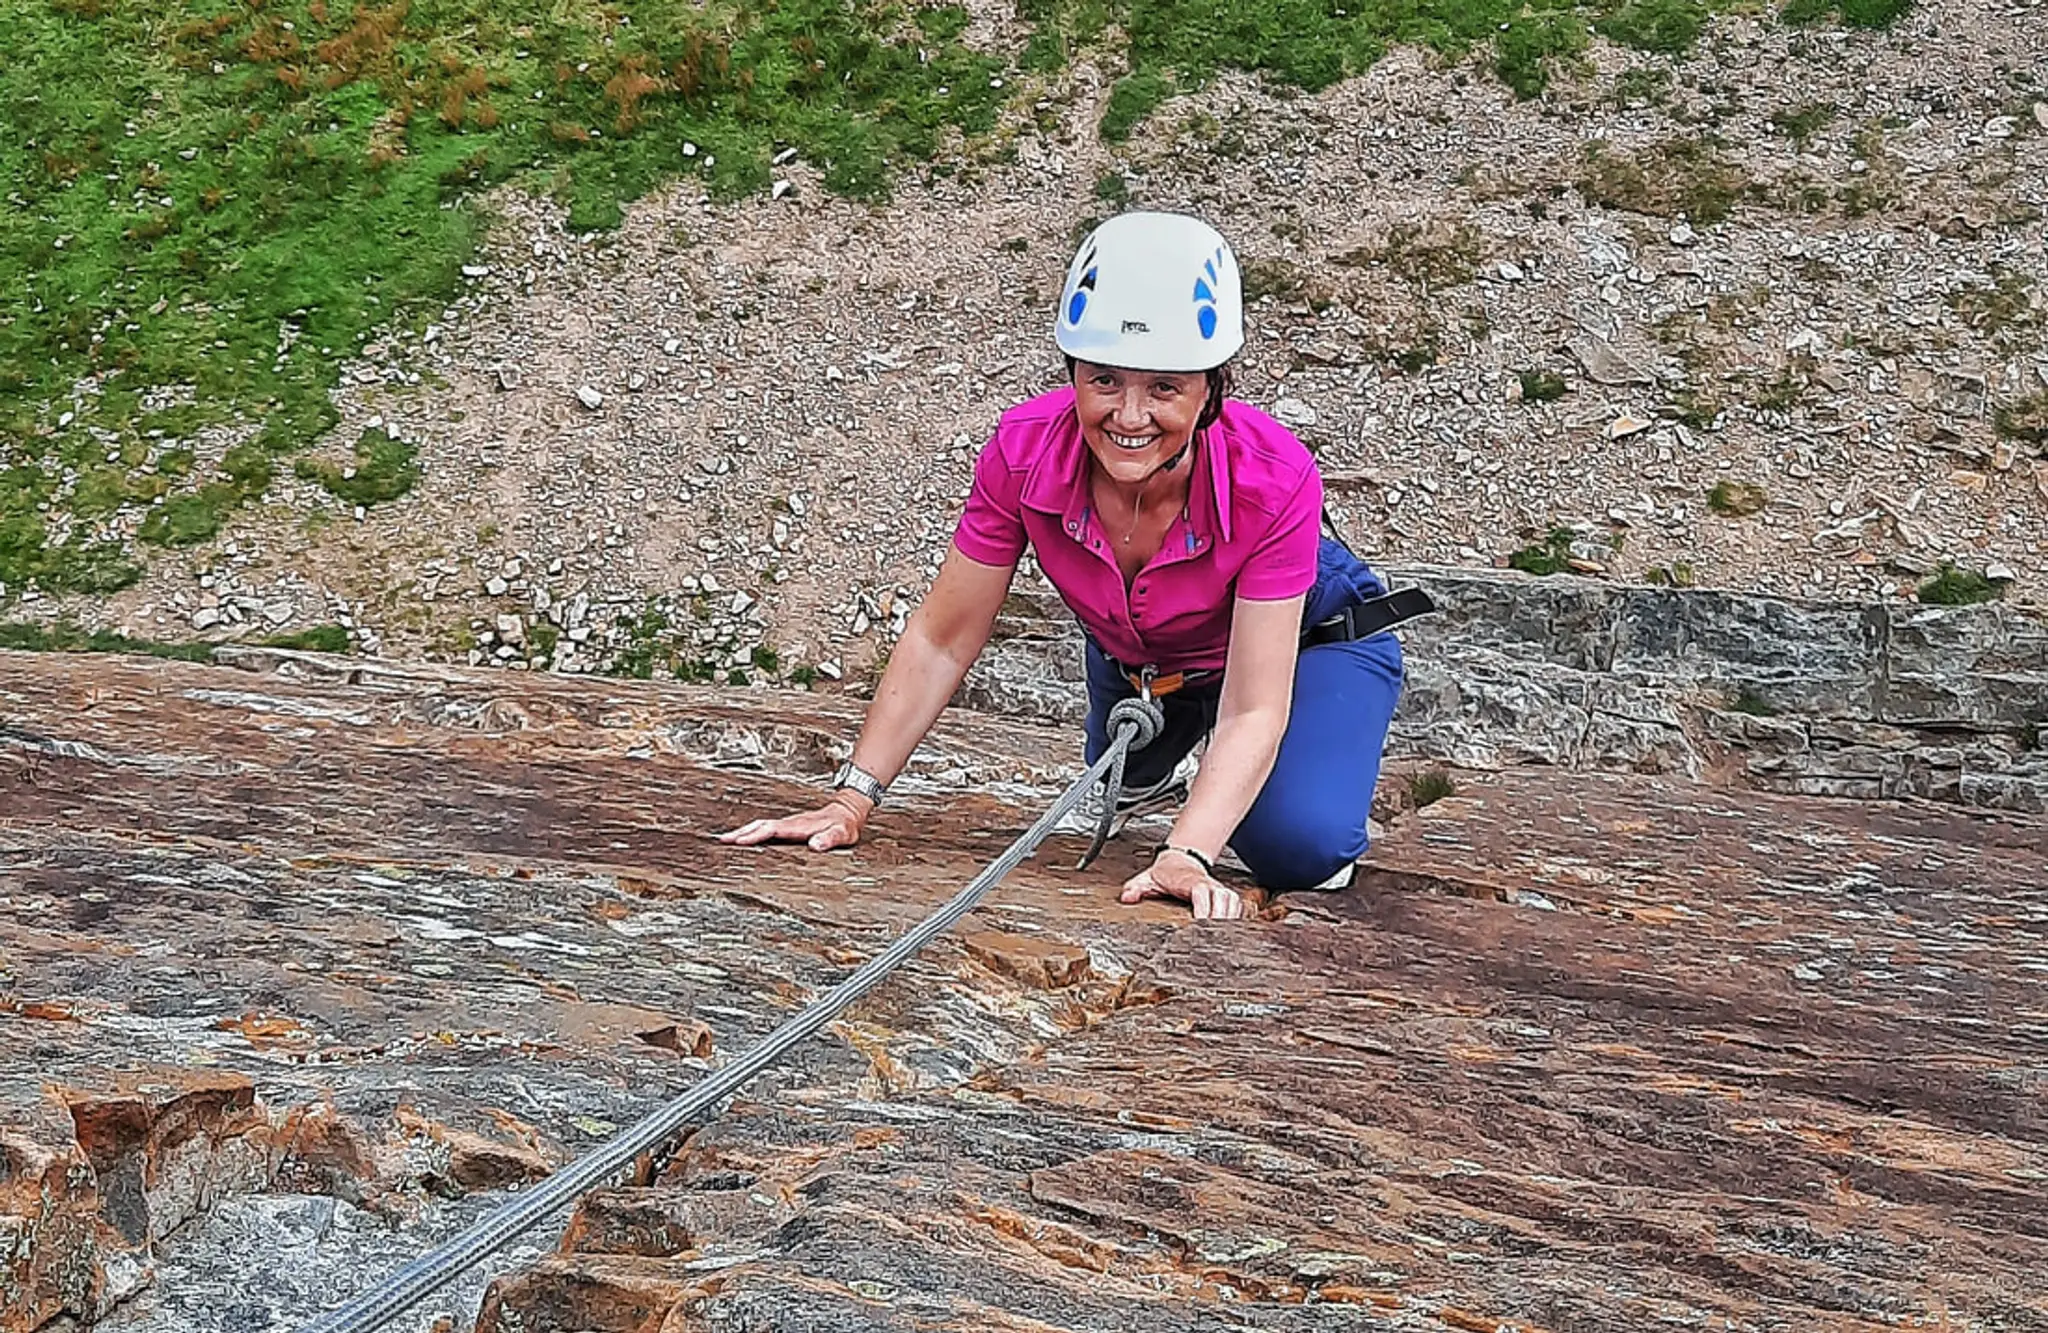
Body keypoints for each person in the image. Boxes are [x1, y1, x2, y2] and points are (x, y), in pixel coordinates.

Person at [720, 211, 1421, 921]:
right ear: (1073, 374)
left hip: (1308, 645)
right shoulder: (1023, 453)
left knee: (1298, 843)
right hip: (1149, 661)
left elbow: (1253, 704)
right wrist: (851, 798)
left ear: (1212, 389)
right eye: (1106, 380)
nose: (1130, 414)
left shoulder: (1272, 477)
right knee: (1118, 790)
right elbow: (943, 637)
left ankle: (1276, 782)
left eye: (1166, 387)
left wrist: (1188, 852)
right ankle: (1175, 762)